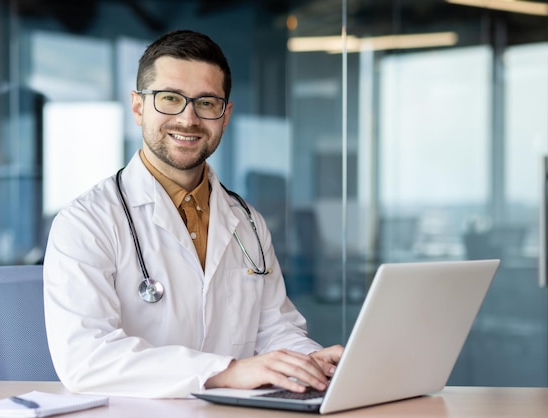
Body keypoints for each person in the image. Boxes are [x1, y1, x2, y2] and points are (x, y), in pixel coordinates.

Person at [43, 29, 343, 399]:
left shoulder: (247, 221)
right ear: (138, 107)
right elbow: (85, 359)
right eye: (170, 98)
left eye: (206, 102)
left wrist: (314, 362)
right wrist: (226, 372)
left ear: (225, 114)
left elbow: (274, 328)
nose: (188, 119)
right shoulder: (86, 223)